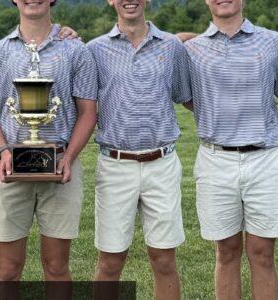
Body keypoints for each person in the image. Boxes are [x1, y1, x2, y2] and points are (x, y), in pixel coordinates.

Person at [0, 0, 97, 297]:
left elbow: (88, 111)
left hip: (62, 164)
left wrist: (70, 157)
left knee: (57, 267)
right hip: (9, 165)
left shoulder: (76, 50)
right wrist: (3, 150)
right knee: (8, 270)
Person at [183, 0, 278, 299]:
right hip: (215, 159)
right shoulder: (192, 49)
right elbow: (185, 96)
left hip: (265, 158)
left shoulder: (272, 42)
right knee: (227, 251)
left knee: (262, 253)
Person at [85, 0, 190, 299]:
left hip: (162, 163)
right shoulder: (95, 50)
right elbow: (85, 109)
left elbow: (185, 95)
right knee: (110, 260)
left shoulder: (171, 47)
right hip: (115, 164)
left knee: (164, 259)